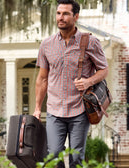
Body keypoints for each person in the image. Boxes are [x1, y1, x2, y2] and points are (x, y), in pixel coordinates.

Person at [33, 0, 108, 167]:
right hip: (54, 110)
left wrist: (89, 81)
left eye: (66, 14)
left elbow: (104, 70)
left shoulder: (90, 42)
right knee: (53, 156)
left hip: (80, 110)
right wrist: (38, 108)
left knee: (76, 158)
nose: (61, 17)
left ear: (76, 17)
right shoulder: (46, 44)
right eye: (59, 13)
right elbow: (42, 78)